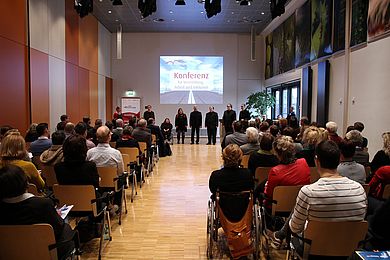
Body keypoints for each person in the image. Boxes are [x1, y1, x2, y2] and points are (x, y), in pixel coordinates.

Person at [270, 140, 367, 249]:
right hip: (348, 248)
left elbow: (295, 228)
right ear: (339, 158)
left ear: (316, 160)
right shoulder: (359, 189)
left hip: (314, 249)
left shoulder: (308, 192)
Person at [0, 165, 77, 259]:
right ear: (25, 182)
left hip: (10, 252)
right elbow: (58, 229)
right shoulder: (42, 204)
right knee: (66, 226)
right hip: (47, 252)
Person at [209, 144, 253, 221]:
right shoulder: (247, 174)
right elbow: (251, 187)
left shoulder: (216, 175)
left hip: (223, 209)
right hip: (243, 209)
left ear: (224, 158)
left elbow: (213, 190)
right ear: (240, 158)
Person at [263, 136, 310, 208]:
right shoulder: (303, 162)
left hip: (279, 207)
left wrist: (266, 187)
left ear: (276, 153)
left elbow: (269, 195)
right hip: (301, 204)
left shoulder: (275, 171)